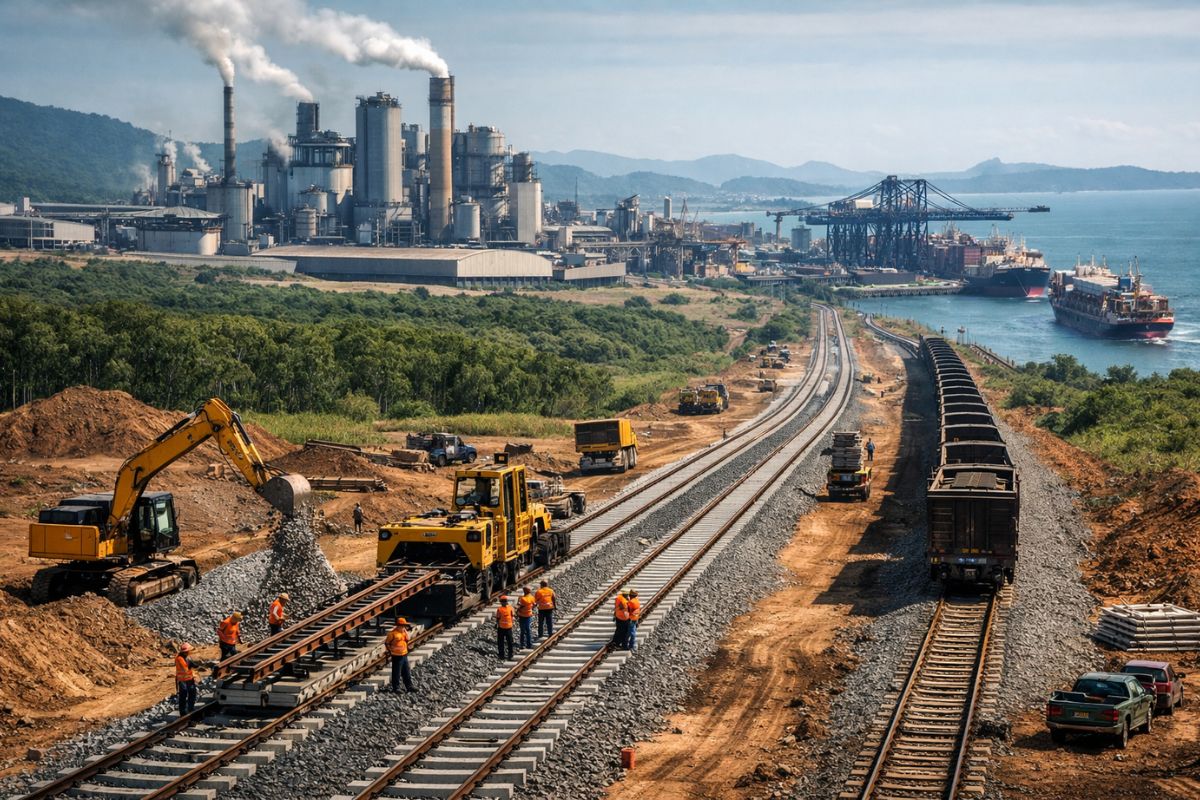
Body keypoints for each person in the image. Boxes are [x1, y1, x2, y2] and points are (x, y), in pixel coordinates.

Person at [385, 617, 415, 692]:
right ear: (398, 625)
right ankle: (396, 687)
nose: (403, 627)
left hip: (404, 654)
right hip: (396, 655)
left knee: (406, 671)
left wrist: (405, 631)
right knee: (396, 672)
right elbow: (387, 643)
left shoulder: (404, 632)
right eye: (402, 625)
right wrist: (390, 651)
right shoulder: (392, 634)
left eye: (404, 625)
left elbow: (407, 639)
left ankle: (409, 686)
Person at [174, 643, 198, 715]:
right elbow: (185, 668)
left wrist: (196, 665)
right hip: (182, 681)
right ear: (185, 652)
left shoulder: (187, 657)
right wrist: (191, 665)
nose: (189, 652)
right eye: (188, 651)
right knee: (183, 696)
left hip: (189, 680)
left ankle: (190, 709)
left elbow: (193, 664)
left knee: (192, 694)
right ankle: (183, 712)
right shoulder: (179, 659)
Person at [496, 595, 515, 660]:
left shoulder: (499, 609)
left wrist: (497, 624)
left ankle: (502, 655)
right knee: (510, 642)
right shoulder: (510, 608)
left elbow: (498, 618)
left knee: (501, 642)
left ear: (501, 602)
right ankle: (510, 655)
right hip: (509, 628)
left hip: (501, 628)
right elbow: (512, 616)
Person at [517, 585, 535, 649]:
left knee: (522, 631)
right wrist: (531, 609)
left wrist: (517, 610)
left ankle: (522, 644)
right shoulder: (532, 597)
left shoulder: (522, 599)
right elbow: (534, 604)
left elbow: (520, 606)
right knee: (528, 630)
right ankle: (529, 644)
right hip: (528, 615)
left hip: (522, 616)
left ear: (524, 591)